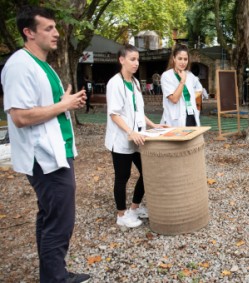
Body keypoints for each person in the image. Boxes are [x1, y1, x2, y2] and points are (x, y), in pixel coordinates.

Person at [1, 6, 90, 282]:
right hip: (43, 156)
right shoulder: (19, 65)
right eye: (48, 28)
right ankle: (55, 279)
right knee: (60, 220)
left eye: (55, 27)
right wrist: (63, 104)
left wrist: (65, 102)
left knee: (49, 215)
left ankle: (53, 273)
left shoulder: (44, 65)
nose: (56, 33)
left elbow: (45, 106)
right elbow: (19, 116)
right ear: (28, 32)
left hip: (58, 151)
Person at [105, 44, 167, 228]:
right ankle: (121, 215)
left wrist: (153, 124)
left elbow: (138, 111)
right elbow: (114, 114)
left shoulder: (135, 83)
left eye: (137, 59)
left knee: (147, 173)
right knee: (122, 176)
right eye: (132, 59)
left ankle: (134, 207)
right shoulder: (114, 83)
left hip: (137, 138)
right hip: (121, 139)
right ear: (121, 60)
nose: (136, 63)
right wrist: (130, 132)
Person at [161, 44, 200, 127]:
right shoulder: (166, 76)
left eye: (185, 59)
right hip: (175, 119)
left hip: (191, 115)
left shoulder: (190, 75)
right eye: (180, 59)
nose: (183, 62)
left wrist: (197, 107)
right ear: (174, 59)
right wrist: (182, 81)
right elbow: (174, 99)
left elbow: (199, 90)